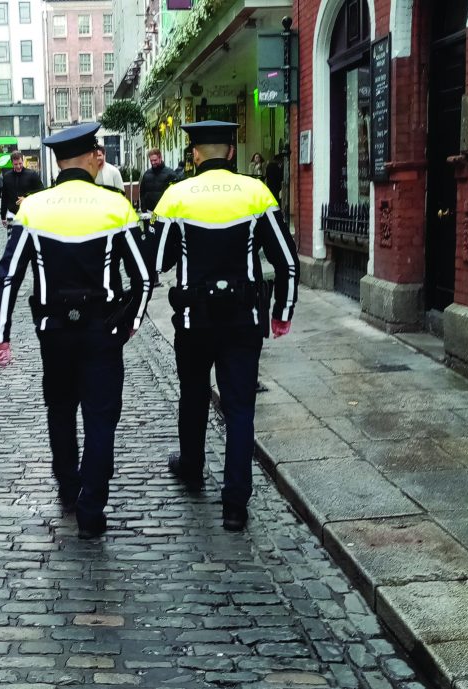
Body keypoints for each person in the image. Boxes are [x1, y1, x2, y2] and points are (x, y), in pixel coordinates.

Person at [0, 122, 151, 540]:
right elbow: (144, 278)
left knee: (60, 410)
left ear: (59, 161)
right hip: (103, 331)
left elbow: (8, 277)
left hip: (54, 332)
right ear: (90, 155)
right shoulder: (115, 206)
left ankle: (67, 484)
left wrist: (0, 334)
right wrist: (131, 323)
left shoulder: (35, 208)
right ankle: (91, 509)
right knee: (100, 418)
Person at [152, 120, 299, 532]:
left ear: (195, 154)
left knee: (194, 396)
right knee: (239, 408)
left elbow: (158, 261)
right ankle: (235, 503)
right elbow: (286, 260)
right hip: (242, 320)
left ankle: (193, 468)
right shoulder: (256, 193)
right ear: (231, 152)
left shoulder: (176, 196)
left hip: (193, 321)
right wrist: (282, 312)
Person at [0, 150, 43, 232]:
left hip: (29, 215)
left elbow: (41, 192)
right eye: (16, 164)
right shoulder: (7, 177)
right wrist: (2, 216)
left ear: (22, 160)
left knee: (28, 242)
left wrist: (26, 199)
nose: (19, 166)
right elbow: (4, 197)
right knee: (12, 242)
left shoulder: (32, 175)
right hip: (12, 215)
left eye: (20, 163)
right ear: (12, 163)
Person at [138, 148, 178, 212]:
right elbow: (142, 192)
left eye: (155, 160)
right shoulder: (146, 174)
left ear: (160, 158)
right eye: (151, 161)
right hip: (149, 212)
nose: (153, 163)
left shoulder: (170, 174)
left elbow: (175, 194)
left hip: (165, 213)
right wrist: (144, 208)